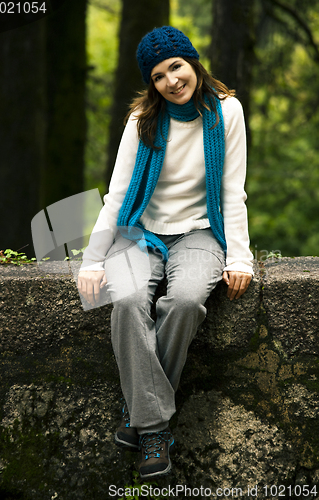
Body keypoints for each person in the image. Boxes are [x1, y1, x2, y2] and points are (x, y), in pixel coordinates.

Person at [78, 26, 253, 480]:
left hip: (200, 233)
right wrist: (93, 260)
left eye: (176, 66)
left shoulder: (226, 112)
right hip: (141, 233)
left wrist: (239, 257)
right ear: (150, 84)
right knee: (129, 301)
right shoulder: (143, 122)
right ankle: (154, 428)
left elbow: (233, 191)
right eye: (158, 76)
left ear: (192, 63)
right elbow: (117, 196)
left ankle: (137, 408)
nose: (171, 81)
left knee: (186, 300)